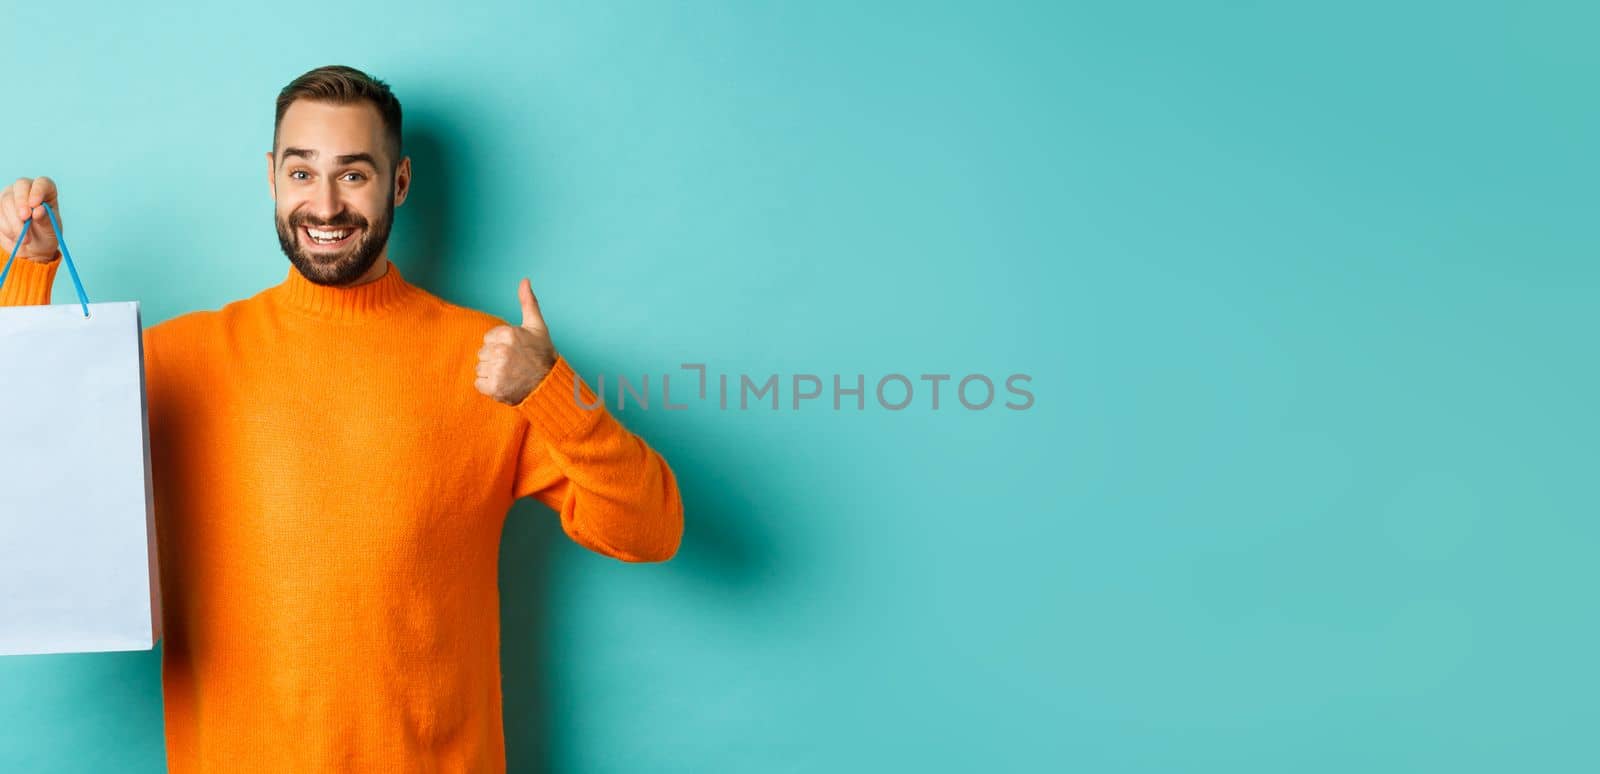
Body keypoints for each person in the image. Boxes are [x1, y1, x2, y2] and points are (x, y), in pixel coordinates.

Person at [0, 64, 684, 773]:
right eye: (302, 174)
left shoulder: (490, 364)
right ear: (271, 177)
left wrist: (551, 389)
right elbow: (24, 459)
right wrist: (30, 267)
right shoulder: (179, 360)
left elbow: (650, 530)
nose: (324, 206)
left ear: (401, 183)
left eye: (354, 175)